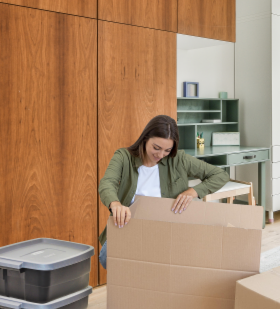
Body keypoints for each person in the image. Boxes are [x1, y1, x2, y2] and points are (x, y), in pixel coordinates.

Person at [98, 114, 230, 269]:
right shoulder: (123, 157)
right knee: (107, 257)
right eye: (156, 148)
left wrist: (193, 191)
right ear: (145, 138)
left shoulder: (179, 160)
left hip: (167, 227)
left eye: (167, 150)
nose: (160, 155)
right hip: (130, 224)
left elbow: (221, 175)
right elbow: (107, 183)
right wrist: (115, 204)